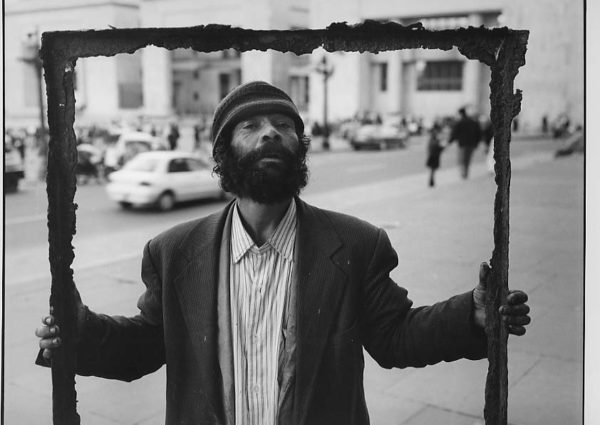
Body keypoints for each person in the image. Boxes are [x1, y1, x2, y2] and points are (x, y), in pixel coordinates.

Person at [36, 81, 531, 425]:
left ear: (300, 146)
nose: (270, 132)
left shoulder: (356, 245)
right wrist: (80, 332)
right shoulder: (174, 251)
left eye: (282, 124)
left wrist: (472, 316)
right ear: (223, 154)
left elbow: (396, 337)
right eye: (249, 126)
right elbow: (146, 345)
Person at [448, 107, 482, 179]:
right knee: (467, 159)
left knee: (462, 159)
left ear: (460, 114)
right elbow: (479, 133)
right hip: (471, 144)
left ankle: (463, 174)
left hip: (462, 144)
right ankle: (466, 173)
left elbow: (454, 133)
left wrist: (449, 142)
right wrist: (476, 143)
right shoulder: (473, 122)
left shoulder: (459, 122)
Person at [425, 121, 445, 187]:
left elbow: (431, 145)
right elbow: (435, 145)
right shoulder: (435, 135)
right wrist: (441, 147)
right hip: (434, 154)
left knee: (432, 169)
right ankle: (431, 182)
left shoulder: (433, 135)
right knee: (433, 169)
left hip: (433, 153)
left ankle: (431, 181)